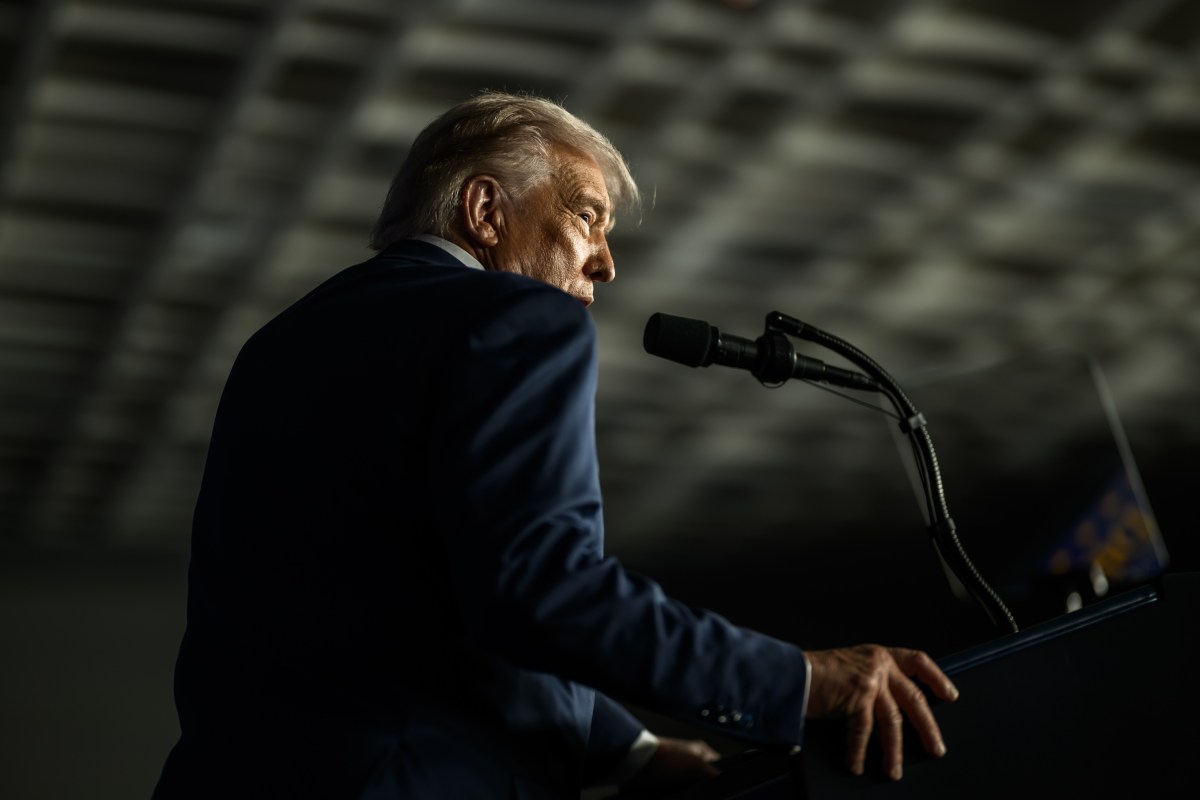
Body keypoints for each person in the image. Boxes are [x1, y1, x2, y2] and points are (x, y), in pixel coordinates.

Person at [153, 91, 958, 800]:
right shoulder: (516, 317)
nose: (605, 263)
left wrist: (630, 751)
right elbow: (539, 588)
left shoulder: (277, 348)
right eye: (587, 217)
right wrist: (799, 682)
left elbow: (400, 600)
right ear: (485, 211)